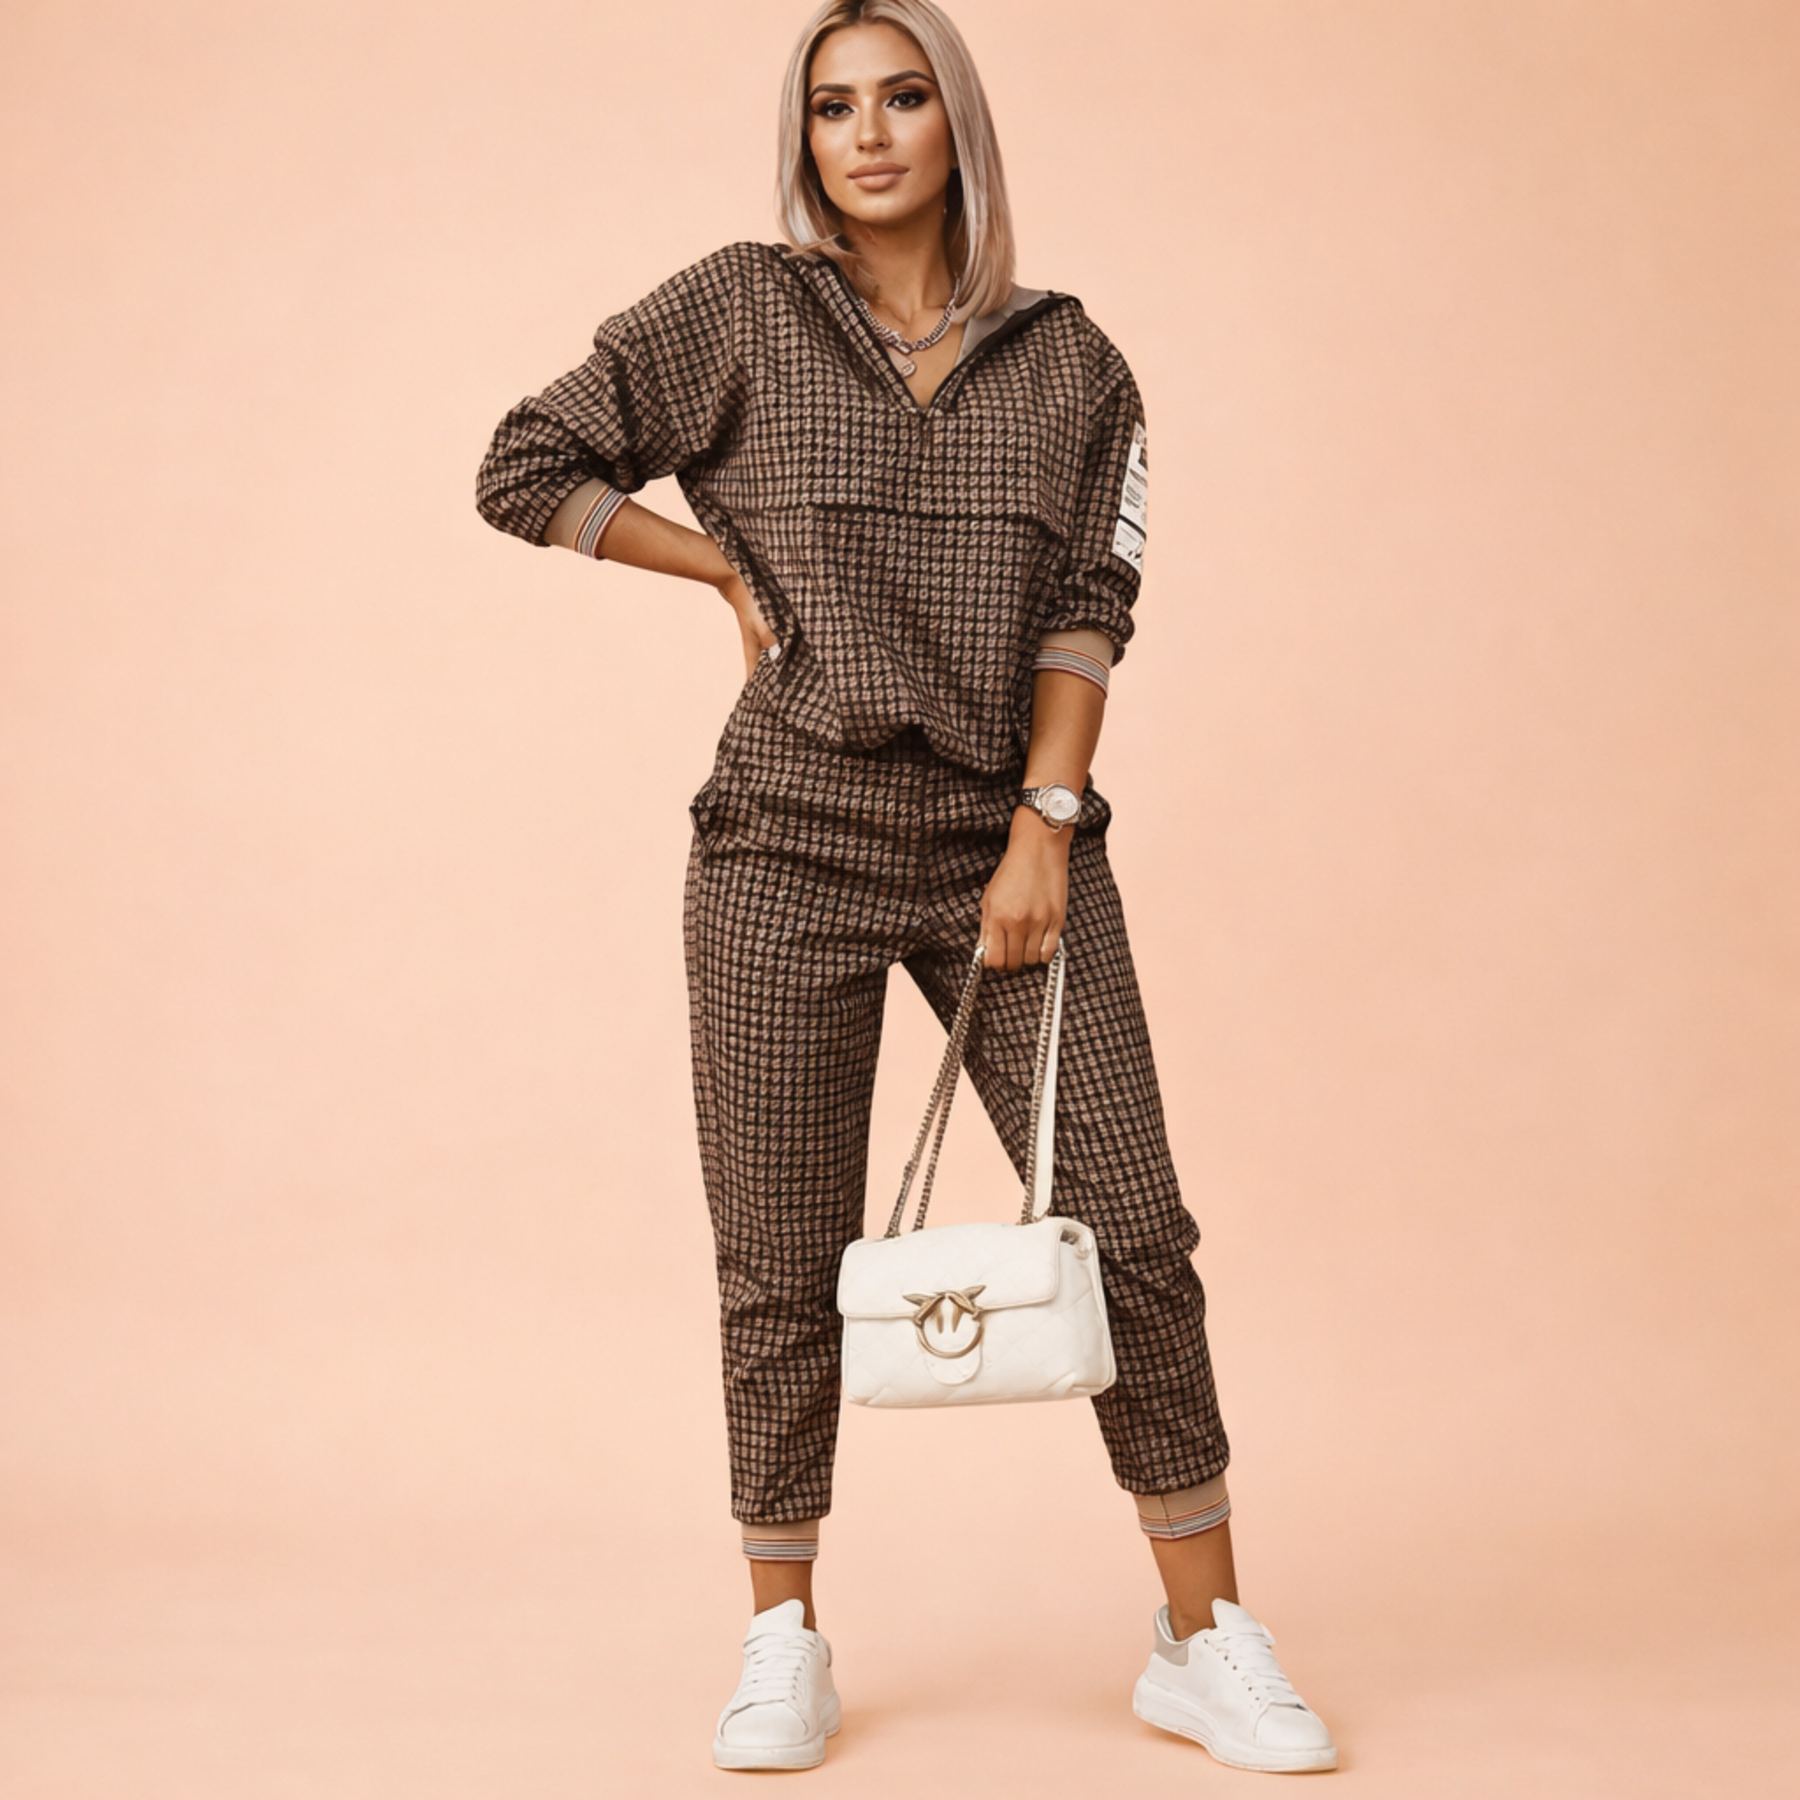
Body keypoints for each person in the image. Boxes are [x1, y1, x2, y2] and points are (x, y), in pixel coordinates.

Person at [476, 0, 1335, 1775]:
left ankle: (1203, 1638)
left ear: (960, 124)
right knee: (780, 1254)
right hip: (781, 844)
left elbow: (1090, 607)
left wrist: (1045, 825)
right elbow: (522, 466)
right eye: (832, 107)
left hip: (1003, 838)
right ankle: (782, 1635)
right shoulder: (741, 310)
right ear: (804, 140)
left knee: (1137, 1231)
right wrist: (724, 568)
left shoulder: (1074, 364)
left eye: (903, 96)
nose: (866, 134)